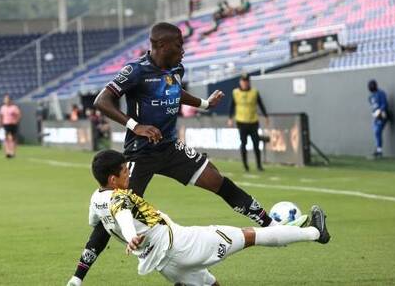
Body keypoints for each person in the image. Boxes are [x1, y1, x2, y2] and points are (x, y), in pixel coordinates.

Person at [66, 22, 287, 285]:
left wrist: (203, 104)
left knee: (216, 179)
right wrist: (137, 127)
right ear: (160, 46)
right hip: (140, 154)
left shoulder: (176, 68)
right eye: (178, 44)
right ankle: (78, 277)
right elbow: (102, 101)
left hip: (170, 147)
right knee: (119, 208)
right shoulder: (135, 71)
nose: (183, 49)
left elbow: (173, 91)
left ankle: (271, 226)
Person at [82, 150, 330, 285]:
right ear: (113, 180)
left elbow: (97, 222)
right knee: (252, 235)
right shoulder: (118, 198)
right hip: (183, 245)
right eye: (126, 172)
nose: (129, 175)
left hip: (165, 266)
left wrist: (128, 234)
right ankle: (316, 233)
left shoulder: (96, 198)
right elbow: (122, 215)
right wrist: (131, 235)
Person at [227, 74, 268, 172]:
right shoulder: (235, 92)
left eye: (246, 81)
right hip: (241, 122)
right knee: (243, 143)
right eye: (243, 81)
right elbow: (231, 106)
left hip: (253, 121)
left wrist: (266, 116)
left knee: (256, 144)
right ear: (240, 82)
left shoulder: (254, 92)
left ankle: (259, 165)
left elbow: (260, 104)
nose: (244, 83)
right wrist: (230, 118)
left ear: (248, 82)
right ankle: (245, 165)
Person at [368, 79, 389, 158]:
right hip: (376, 117)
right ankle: (378, 149)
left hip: (382, 115)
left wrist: (380, 111)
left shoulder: (381, 93)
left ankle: (379, 150)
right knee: (376, 133)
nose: (371, 87)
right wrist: (374, 113)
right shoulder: (370, 97)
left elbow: (384, 104)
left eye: (372, 85)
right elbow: (372, 106)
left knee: (377, 131)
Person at [0, 94, 21, 158]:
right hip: (6, 124)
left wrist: (16, 121)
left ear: (10, 100)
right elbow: (1, 117)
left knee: (13, 139)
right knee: (7, 138)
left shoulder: (14, 107)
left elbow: (18, 115)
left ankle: (13, 152)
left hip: (13, 124)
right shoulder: (2, 108)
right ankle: (8, 152)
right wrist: (0, 124)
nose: (5, 100)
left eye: (6, 99)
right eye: (5, 99)